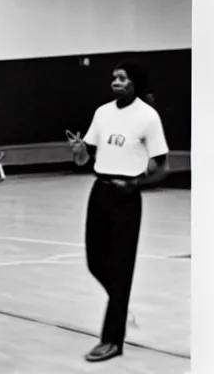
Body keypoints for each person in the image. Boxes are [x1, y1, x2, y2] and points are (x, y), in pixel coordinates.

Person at [68, 60, 169, 362]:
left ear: (134, 84)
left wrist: (136, 184)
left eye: (122, 78)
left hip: (127, 196)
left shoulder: (148, 118)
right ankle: (120, 306)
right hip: (99, 192)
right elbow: (83, 160)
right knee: (95, 261)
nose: (116, 82)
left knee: (122, 267)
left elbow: (163, 167)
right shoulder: (102, 113)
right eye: (114, 77)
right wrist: (78, 152)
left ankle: (112, 341)